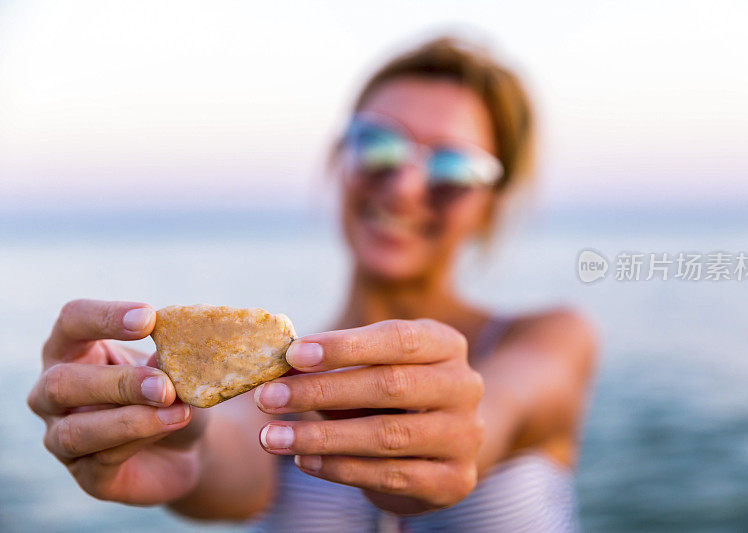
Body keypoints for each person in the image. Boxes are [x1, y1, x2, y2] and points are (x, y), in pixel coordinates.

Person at [27, 37, 595, 532]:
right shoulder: (277, 366)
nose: (403, 187)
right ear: (338, 160)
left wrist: (453, 439)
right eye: (378, 146)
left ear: (490, 206)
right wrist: (172, 437)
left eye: (453, 167)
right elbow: (228, 459)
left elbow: (500, 407)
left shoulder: (548, 339)